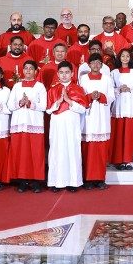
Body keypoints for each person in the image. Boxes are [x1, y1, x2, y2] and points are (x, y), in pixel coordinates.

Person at [46, 62, 89, 192]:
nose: (64, 75)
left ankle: (73, 182)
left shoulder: (78, 89)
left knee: (72, 150)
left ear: (72, 73)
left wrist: (68, 100)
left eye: (67, 72)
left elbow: (82, 109)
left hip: (72, 123)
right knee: (57, 150)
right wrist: (58, 102)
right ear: (58, 74)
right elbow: (48, 110)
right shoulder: (52, 90)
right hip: (57, 123)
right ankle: (56, 181)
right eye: (61, 73)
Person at [7, 60, 47, 192]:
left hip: (34, 124)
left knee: (35, 153)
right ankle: (22, 180)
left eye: (31, 68)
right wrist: (20, 102)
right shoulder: (17, 86)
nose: (28, 71)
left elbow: (44, 106)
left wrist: (30, 103)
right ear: (23, 71)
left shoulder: (40, 86)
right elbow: (10, 106)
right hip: (19, 124)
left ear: (36, 71)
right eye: (26, 68)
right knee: (21, 153)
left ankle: (36, 181)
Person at [80, 53, 114, 189]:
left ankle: (100, 179)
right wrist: (88, 96)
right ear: (89, 65)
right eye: (93, 62)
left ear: (102, 65)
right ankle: (87, 179)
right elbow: (79, 96)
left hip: (101, 117)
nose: (95, 65)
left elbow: (111, 96)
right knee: (87, 149)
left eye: (98, 62)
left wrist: (101, 95)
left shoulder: (107, 79)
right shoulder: (83, 79)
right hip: (88, 118)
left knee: (100, 149)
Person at [111, 48, 133, 170]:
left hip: (131, 106)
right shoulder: (114, 72)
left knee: (129, 135)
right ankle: (118, 160)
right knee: (119, 134)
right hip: (118, 107)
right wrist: (119, 89)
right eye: (122, 56)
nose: (125, 58)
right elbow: (110, 89)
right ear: (119, 58)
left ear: (131, 58)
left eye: (127, 56)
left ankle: (128, 160)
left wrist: (129, 89)